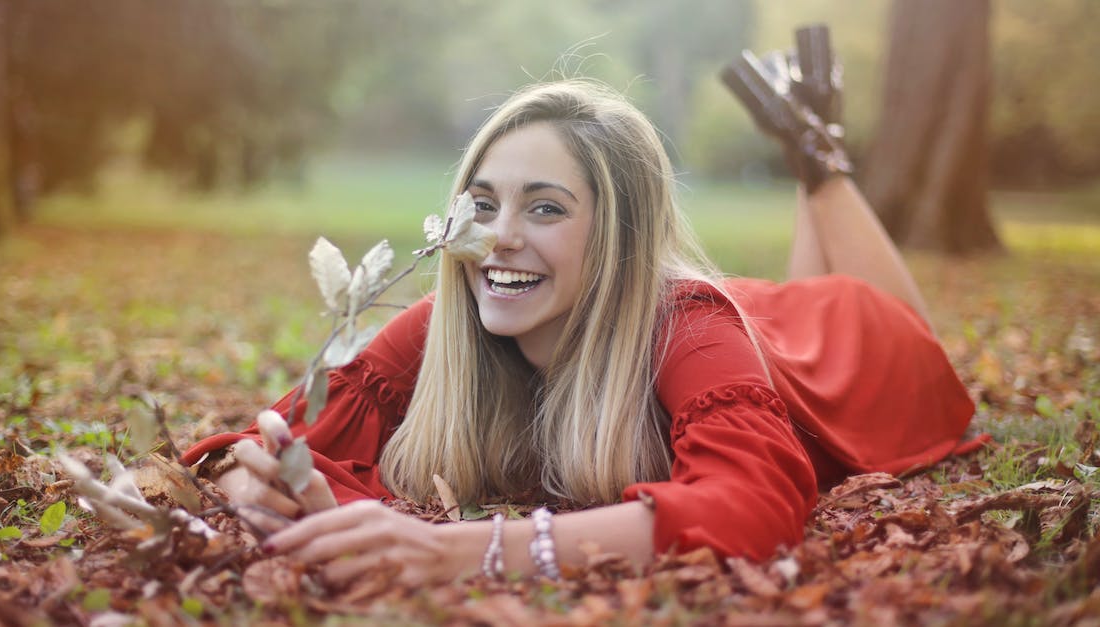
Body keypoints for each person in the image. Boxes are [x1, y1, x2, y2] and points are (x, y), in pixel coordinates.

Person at [180, 30, 985, 588]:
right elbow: (264, 440)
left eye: (546, 209)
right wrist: (276, 484)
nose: (498, 240)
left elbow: (751, 510)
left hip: (854, 349)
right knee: (786, 307)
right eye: (484, 204)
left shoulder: (686, 325)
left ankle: (817, 150)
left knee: (869, 311)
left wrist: (465, 548)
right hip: (764, 327)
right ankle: (806, 134)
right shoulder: (459, 310)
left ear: (621, 237)